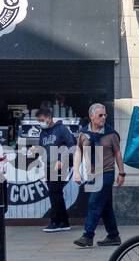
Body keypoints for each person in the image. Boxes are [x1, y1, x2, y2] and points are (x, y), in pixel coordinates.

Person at [72, 103, 124, 248]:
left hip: (106, 173)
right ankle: (113, 236)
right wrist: (76, 171)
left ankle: (87, 236)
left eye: (105, 115)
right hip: (91, 175)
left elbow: (118, 153)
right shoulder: (84, 134)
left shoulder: (111, 134)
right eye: (100, 115)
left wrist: (121, 172)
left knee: (94, 203)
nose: (103, 118)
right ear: (91, 116)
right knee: (105, 206)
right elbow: (78, 152)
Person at [30, 102, 75, 232]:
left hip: (59, 165)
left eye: (42, 120)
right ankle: (64, 222)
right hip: (48, 166)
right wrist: (35, 151)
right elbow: (41, 149)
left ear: (49, 118)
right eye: (39, 121)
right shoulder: (43, 132)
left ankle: (55, 221)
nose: (40, 123)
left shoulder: (61, 129)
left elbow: (71, 145)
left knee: (54, 193)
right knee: (56, 194)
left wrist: (62, 160)